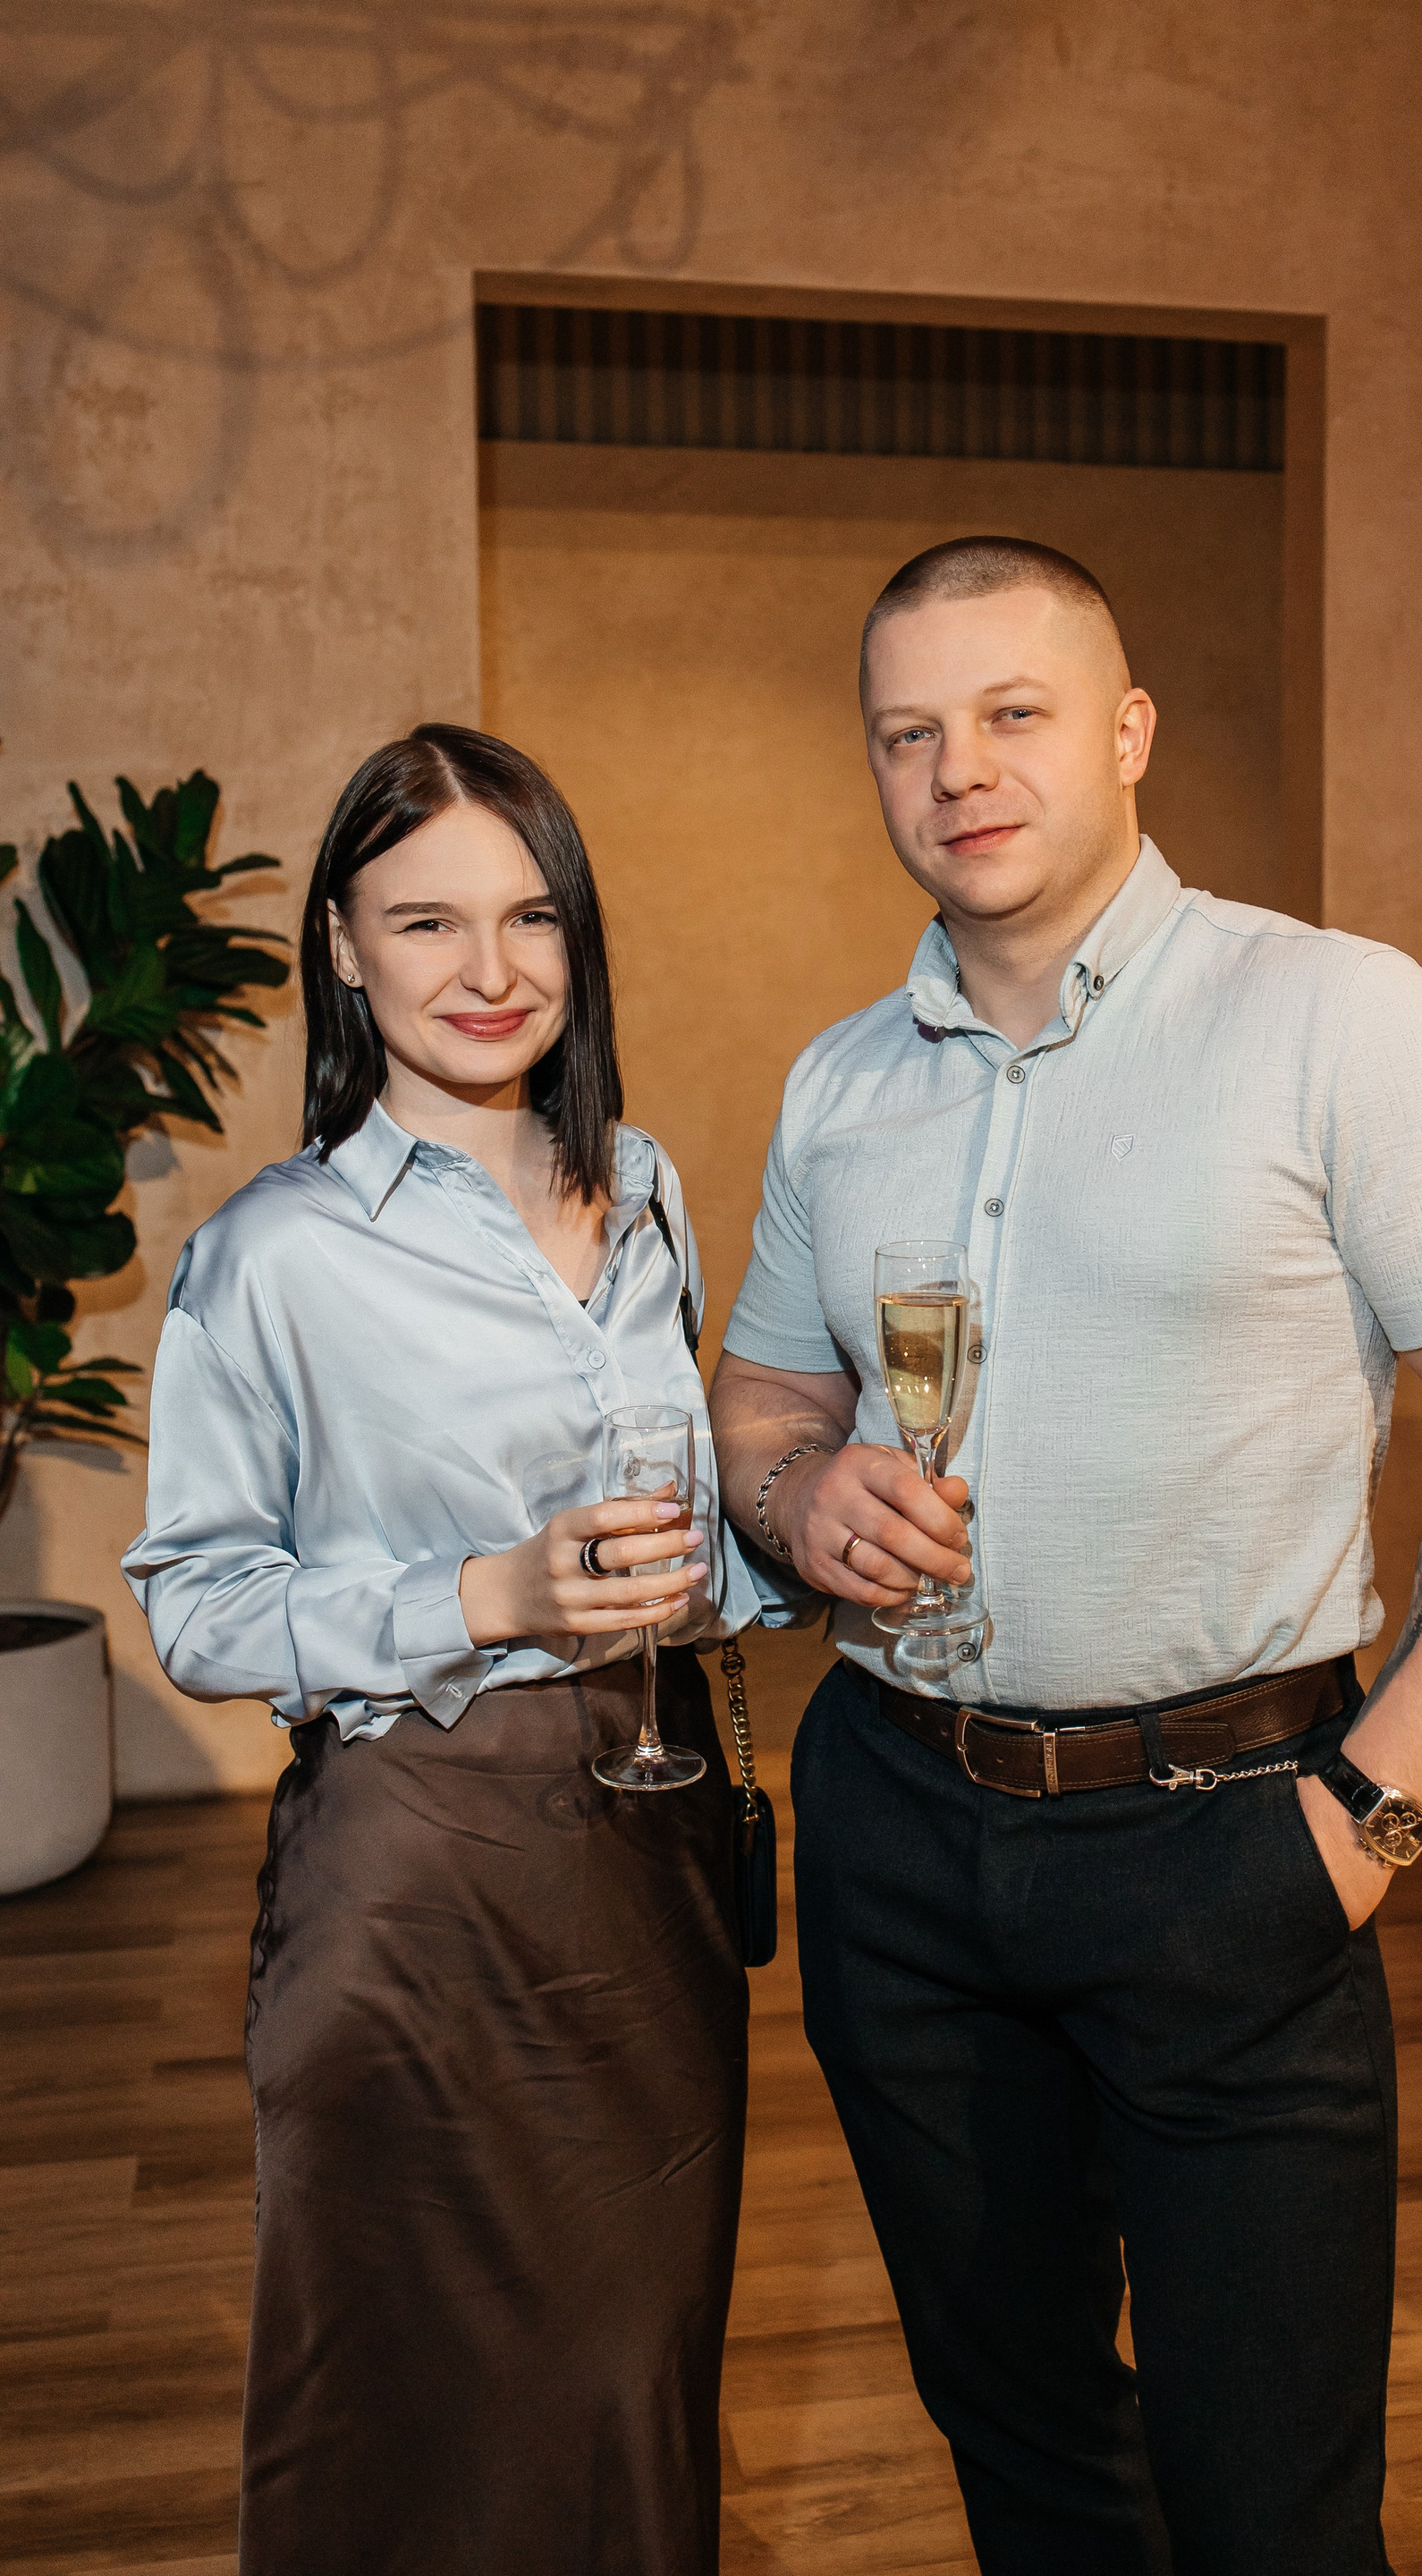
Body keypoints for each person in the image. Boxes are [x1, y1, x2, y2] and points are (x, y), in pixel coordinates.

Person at [710, 538, 1422, 2576]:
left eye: (1012, 713)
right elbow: (764, 1403)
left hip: (1235, 1844)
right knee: (1022, 2442)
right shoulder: (843, 1082)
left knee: (1268, 2500)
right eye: (908, 733)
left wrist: (1371, 1812)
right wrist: (798, 1498)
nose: (959, 769)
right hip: (896, 1843)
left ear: (1128, 732)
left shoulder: (1336, 1019)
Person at [123, 724, 759, 2576]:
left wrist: (800, 1535)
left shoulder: (644, 1189)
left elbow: (688, 1531)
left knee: (631, 2373)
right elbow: (198, 1605)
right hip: (413, 1876)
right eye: (426, 923)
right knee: (404, 2398)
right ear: (342, 945)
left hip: (653, 1850)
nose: (491, 970)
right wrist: (482, 1596)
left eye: (531, 917)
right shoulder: (275, 1254)